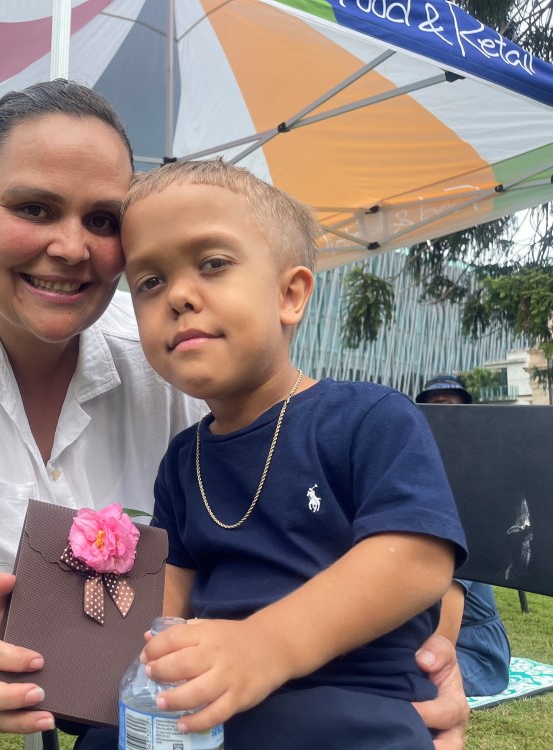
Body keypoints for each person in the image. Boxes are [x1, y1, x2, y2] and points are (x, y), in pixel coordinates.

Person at [0, 80, 470, 750]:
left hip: (322, 708)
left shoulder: (355, 414)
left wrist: (432, 646)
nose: (72, 247)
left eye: (104, 221)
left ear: (291, 294)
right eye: (34, 207)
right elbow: (162, 605)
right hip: (141, 688)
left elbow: (416, 556)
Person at [116, 158, 467, 748]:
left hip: (352, 702)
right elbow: (169, 593)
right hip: (216, 702)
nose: (178, 294)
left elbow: (417, 560)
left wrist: (265, 646)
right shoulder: (183, 460)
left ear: (290, 294)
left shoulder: (368, 418)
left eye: (212, 264)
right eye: (149, 281)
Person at [417, 374, 512, 697]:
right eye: (434, 409)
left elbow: (445, 636)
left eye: (451, 408)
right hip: (428, 639)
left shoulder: (462, 503)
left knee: (396, 680)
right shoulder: (418, 489)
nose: (444, 420)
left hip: (476, 656)